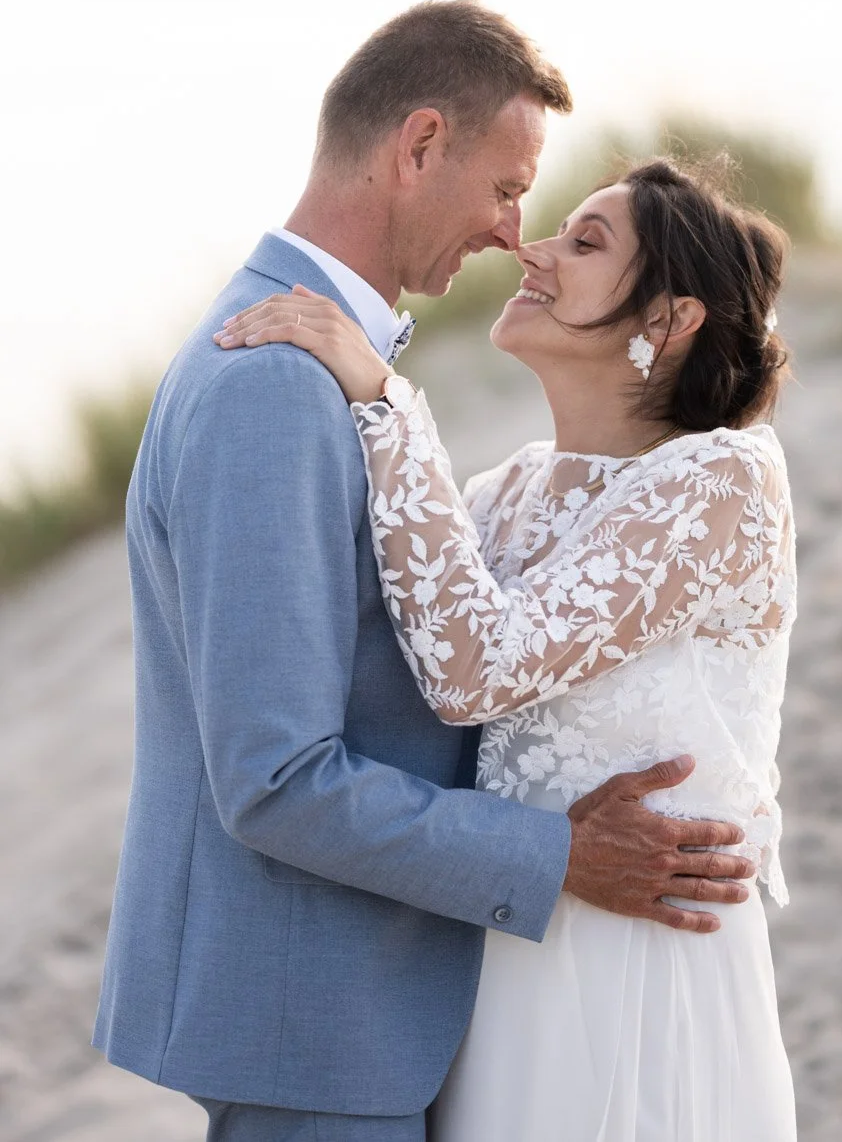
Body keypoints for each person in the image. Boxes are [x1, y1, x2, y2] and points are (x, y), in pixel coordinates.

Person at [93, 0, 757, 1142]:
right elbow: (275, 777)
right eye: (507, 189)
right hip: (317, 1024)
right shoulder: (271, 385)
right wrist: (555, 854)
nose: (514, 233)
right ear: (416, 147)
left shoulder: (321, 372)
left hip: (400, 1008)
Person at [217, 155, 798, 1141]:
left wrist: (385, 403)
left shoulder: (724, 480)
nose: (531, 250)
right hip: (501, 953)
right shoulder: (505, 491)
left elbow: (473, 668)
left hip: (642, 967)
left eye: (585, 241)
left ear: (665, 320)